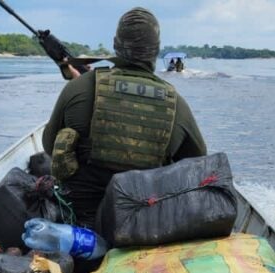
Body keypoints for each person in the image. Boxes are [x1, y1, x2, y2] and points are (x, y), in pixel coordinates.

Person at [42, 7, 207, 230]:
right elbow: (198, 166)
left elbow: (49, 145)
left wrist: (80, 87)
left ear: (115, 44)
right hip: (144, 227)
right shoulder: (176, 104)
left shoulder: (79, 87)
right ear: (156, 50)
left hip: (80, 222)